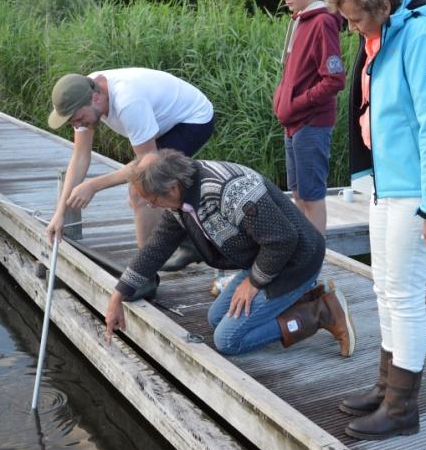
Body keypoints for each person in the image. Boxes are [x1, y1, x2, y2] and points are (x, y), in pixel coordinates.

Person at [324, 0, 426, 440]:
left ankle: (403, 409)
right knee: (384, 290)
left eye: (356, 18)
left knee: (404, 297)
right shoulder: (384, 36)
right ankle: (387, 388)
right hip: (387, 187)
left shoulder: (422, 36)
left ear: (383, 5)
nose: (350, 27)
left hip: (415, 193)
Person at [103, 149, 356, 358]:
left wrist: (254, 282)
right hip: (266, 258)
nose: (151, 206)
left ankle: (320, 313)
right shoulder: (181, 197)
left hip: (296, 261)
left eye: (152, 201)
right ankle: (301, 298)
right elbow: (156, 248)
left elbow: (283, 240)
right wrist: (117, 297)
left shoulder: (227, 190)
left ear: (171, 188)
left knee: (228, 340)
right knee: (216, 318)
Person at [45, 68, 214, 270]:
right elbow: (80, 156)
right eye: (72, 122)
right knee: (145, 187)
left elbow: (146, 163)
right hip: (160, 121)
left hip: (192, 118)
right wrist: (60, 213)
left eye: (78, 118)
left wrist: (93, 185)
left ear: (95, 98)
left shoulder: (127, 102)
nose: (78, 124)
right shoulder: (80, 96)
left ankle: (145, 274)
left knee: (141, 190)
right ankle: (188, 243)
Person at [274, 0, 346, 235]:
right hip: (292, 123)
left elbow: (334, 79)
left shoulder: (323, 22)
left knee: (313, 198)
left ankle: (312, 266)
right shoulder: (300, 21)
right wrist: (281, 97)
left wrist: (297, 103)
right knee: (298, 195)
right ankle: (304, 256)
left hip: (311, 123)